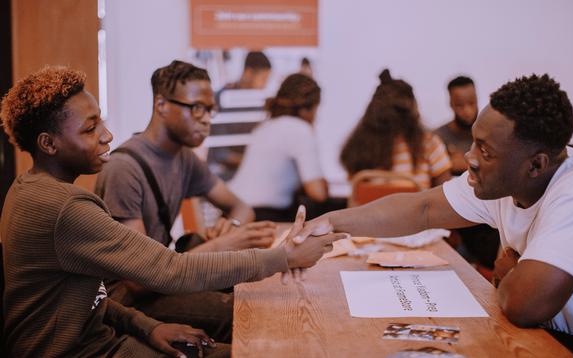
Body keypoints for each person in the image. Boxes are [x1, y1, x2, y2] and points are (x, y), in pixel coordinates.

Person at [0, 66, 342, 357]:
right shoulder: (66, 206)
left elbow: (89, 297)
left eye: (100, 122)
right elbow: (169, 271)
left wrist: (149, 328)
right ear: (49, 144)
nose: (107, 135)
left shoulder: (26, 189)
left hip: (101, 336)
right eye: (90, 129)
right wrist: (286, 257)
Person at [296, 74, 573, 354]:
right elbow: (422, 208)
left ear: (535, 165)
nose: (469, 158)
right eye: (473, 142)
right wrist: (331, 221)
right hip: (533, 332)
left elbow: (524, 305)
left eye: (485, 151)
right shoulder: (510, 176)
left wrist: (509, 271)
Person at [94, 60, 280, 343]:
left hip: (163, 279)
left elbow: (242, 208)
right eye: (196, 108)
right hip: (130, 301)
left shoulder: (184, 158)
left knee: (260, 292)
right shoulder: (124, 169)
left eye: (209, 110)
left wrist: (232, 225)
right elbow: (138, 279)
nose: (206, 118)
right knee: (247, 313)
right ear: (161, 105)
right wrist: (222, 246)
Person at [228, 73, 328, 221]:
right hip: (262, 216)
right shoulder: (300, 129)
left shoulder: (265, 126)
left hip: (233, 212)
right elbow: (318, 193)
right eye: (316, 110)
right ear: (307, 109)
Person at [340, 69, 452, 190]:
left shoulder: (359, 147)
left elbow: (357, 192)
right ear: (412, 109)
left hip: (374, 209)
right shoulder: (429, 144)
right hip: (414, 209)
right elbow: (444, 193)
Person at [435, 76, 500, 272]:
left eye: (471, 103)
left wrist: (459, 163)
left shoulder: (491, 132)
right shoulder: (439, 136)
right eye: (460, 105)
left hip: (489, 210)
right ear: (451, 104)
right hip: (457, 210)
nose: (467, 110)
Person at [209, 51, 273, 181]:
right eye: (263, 79)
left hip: (252, 175)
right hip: (223, 176)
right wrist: (257, 162)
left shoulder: (260, 104)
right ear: (248, 73)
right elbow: (221, 154)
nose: (265, 85)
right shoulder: (223, 100)